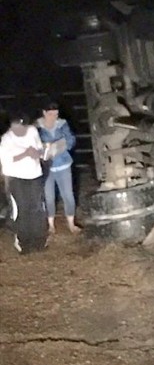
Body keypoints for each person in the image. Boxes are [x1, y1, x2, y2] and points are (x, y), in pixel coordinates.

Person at [0, 111, 48, 253]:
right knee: (21, 209)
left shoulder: (32, 131)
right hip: (15, 177)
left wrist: (38, 154)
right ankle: (23, 241)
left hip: (34, 175)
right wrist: (25, 154)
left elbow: (40, 149)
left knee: (37, 208)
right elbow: (6, 160)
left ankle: (39, 241)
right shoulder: (6, 139)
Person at [36, 99, 81, 234]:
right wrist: (44, 148)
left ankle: (71, 223)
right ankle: (51, 224)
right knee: (48, 196)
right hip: (46, 166)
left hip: (63, 164)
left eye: (56, 114)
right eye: (51, 114)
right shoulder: (37, 127)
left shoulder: (62, 124)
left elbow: (71, 140)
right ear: (44, 113)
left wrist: (57, 146)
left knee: (68, 194)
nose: (53, 117)